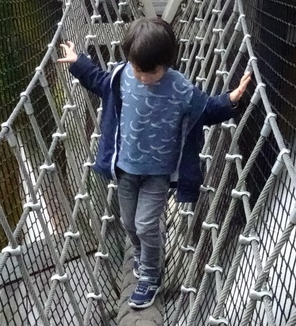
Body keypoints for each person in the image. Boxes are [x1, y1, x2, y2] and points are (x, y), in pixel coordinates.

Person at [58, 17, 251, 309]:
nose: (143, 77)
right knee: (129, 223)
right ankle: (143, 254)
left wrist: (231, 100)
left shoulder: (179, 88)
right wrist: (77, 62)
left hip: (158, 173)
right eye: (138, 69)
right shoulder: (123, 75)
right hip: (125, 169)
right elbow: (99, 81)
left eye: (151, 71)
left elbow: (206, 110)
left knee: (146, 224)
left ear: (167, 63)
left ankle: (150, 275)